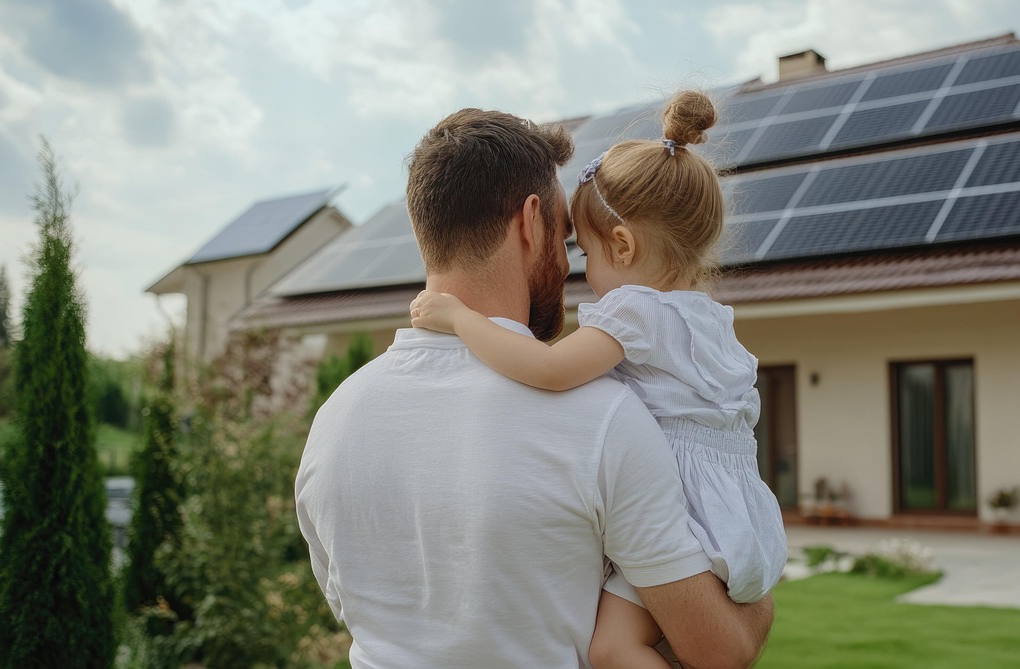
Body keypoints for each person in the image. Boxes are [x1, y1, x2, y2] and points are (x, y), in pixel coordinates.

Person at [295, 106, 774, 669]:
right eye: (568, 239)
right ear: (529, 222)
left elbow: (352, 606)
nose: (578, 270)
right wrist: (760, 589)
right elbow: (720, 649)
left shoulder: (333, 421)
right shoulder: (605, 419)